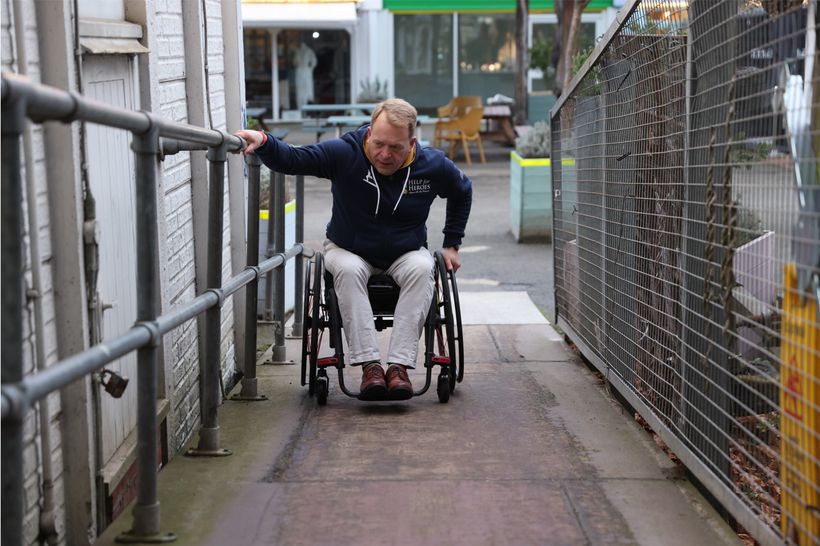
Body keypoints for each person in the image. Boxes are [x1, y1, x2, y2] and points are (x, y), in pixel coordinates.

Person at [235, 98, 472, 401]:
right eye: (379, 143)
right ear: (369, 132)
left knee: (424, 268)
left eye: (396, 148)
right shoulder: (345, 153)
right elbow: (295, 159)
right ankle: (370, 366)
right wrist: (264, 141)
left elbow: (462, 191)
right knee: (347, 269)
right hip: (348, 249)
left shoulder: (431, 165)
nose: (385, 154)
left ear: (411, 143)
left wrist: (452, 244)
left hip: (406, 251)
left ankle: (399, 367)